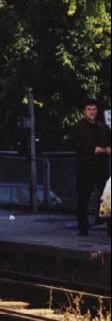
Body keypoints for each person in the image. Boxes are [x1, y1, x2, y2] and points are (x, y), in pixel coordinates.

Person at [70, 98, 111, 235]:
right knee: (84, 197)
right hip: (85, 167)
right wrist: (99, 149)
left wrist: (106, 148)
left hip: (101, 167)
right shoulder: (78, 127)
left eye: (94, 109)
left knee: (107, 197)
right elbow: (79, 146)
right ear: (84, 111)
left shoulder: (103, 127)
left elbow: (107, 143)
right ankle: (83, 227)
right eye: (89, 109)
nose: (92, 112)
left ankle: (109, 228)